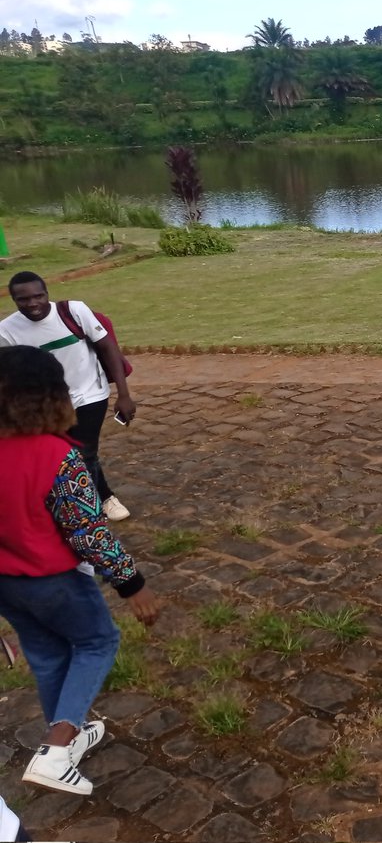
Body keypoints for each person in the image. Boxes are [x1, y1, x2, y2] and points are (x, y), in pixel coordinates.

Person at [0, 346, 160, 795]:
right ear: (53, 395)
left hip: (6, 585)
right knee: (97, 641)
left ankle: (67, 733)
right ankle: (56, 747)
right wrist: (132, 583)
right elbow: (88, 532)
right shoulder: (57, 456)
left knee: (48, 654)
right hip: (54, 580)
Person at [0, 271, 136, 522]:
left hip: (90, 394)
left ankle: (95, 506)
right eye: (24, 299)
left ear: (47, 294)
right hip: (46, 404)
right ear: (14, 300)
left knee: (84, 453)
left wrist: (123, 394)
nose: (33, 304)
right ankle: (91, 496)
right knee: (61, 454)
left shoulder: (74, 311)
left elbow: (108, 349)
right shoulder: (7, 332)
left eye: (38, 296)